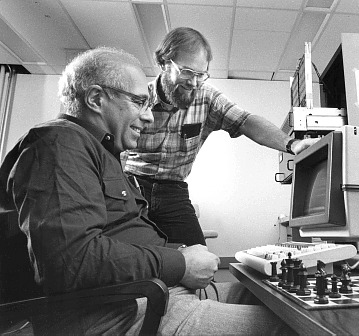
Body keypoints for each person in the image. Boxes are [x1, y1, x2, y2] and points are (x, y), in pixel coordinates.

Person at [0, 47, 296, 335]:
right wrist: (180, 263)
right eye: (139, 103)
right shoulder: (58, 145)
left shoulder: (102, 152)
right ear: (95, 98)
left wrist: (181, 254)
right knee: (291, 327)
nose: (149, 116)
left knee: (281, 301)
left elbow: (120, 237)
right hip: (129, 309)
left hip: (156, 292)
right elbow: (71, 261)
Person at [122, 27, 319, 246]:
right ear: (164, 64)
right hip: (132, 188)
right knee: (132, 258)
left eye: (201, 75)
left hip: (173, 192)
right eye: (187, 72)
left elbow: (245, 121)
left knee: (200, 263)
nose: (194, 83)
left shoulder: (207, 98)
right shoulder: (140, 99)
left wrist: (292, 144)